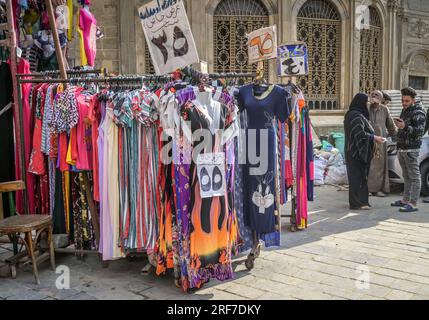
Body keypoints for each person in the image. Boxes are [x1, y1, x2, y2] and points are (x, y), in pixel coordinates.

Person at [344, 93, 385, 210]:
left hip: (353, 151)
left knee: (359, 177)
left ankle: (360, 201)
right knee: (357, 177)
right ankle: (357, 203)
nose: (368, 104)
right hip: (356, 152)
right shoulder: (356, 116)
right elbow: (359, 134)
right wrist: (374, 138)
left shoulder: (354, 114)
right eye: (366, 102)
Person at [392, 87, 427, 212]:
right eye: (403, 100)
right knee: (406, 176)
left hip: (411, 150)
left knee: (414, 177)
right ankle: (405, 200)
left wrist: (405, 126)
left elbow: (419, 132)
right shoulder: (405, 110)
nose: (404, 103)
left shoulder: (419, 112)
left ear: (413, 100)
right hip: (402, 148)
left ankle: (413, 203)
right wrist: (400, 126)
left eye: (406, 101)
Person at [368, 90, 397, 197]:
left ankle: (377, 189)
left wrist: (396, 136)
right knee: (368, 164)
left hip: (380, 142)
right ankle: (367, 189)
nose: (374, 96)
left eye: (377, 95)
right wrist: (368, 104)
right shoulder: (366, 108)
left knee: (379, 166)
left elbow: (391, 125)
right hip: (368, 140)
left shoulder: (384, 109)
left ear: (381, 99)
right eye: (372, 95)